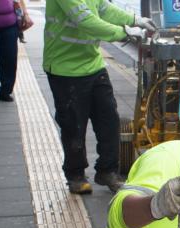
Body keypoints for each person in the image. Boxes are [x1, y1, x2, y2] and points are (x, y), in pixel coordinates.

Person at [43, 0, 155, 194]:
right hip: (65, 68)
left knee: (109, 120)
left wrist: (136, 20)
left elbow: (104, 8)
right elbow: (87, 21)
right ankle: (76, 175)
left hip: (93, 64)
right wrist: (125, 33)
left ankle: (107, 171)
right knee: (74, 127)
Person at [0, 0, 30, 101]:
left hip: (10, 26)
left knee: (10, 58)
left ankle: (5, 91)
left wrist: (26, 14)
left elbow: (20, 0)